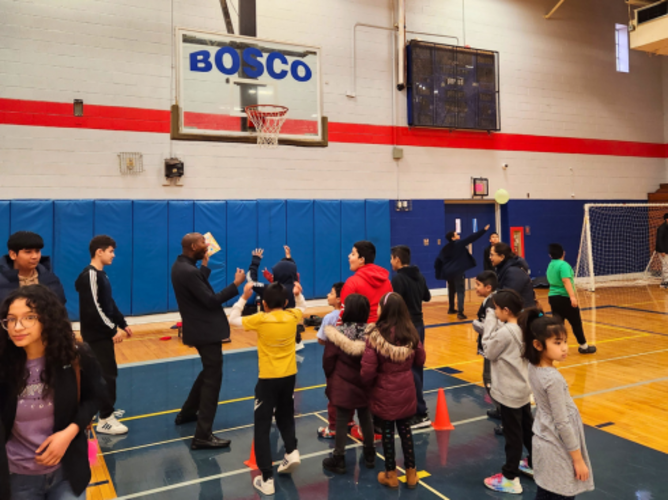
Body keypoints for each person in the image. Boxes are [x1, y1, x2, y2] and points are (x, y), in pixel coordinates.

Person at [0, 285, 104, 500]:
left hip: (67, 473)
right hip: (17, 478)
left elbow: (95, 397)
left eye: (29, 317)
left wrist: (68, 434)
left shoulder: (75, 358)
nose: (17, 327)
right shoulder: (4, 365)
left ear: (47, 319)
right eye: (10, 319)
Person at [229, 281, 307, 495]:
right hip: (289, 376)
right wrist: (298, 295)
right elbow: (302, 308)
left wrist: (244, 297)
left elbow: (233, 320)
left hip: (268, 380)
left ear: (263, 304)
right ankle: (291, 451)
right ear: (285, 302)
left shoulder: (261, 319)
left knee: (262, 426)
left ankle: (266, 478)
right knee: (285, 415)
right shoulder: (292, 316)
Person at [171, 233, 245, 450]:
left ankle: (186, 413)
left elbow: (196, 283)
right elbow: (211, 301)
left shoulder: (181, 266)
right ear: (194, 246)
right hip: (205, 331)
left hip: (198, 329)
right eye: (203, 243)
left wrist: (204, 265)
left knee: (208, 370)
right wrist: (235, 285)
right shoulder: (189, 271)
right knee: (213, 379)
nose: (207, 244)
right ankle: (203, 435)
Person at [318, 241, 392, 439]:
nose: (349, 257)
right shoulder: (387, 281)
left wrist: (339, 343)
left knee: (345, 382)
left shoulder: (353, 282)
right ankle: (376, 429)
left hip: (358, 342)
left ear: (361, 259)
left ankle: (341, 425)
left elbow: (344, 319)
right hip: (382, 338)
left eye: (352, 253)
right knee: (376, 384)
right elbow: (389, 309)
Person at [520, 309, 595, 499]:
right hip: (556, 446)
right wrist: (577, 460)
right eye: (557, 343)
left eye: (565, 342)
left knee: (546, 491)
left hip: (543, 437)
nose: (564, 348)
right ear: (538, 345)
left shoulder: (532, 365)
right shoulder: (552, 379)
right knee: (561, 493)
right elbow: (562, 422)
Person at [361, 292, 426, 490]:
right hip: (406, 388)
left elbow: (368, 369)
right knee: (405, 429)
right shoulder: (411, 332)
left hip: (384, 390)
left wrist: (366, 383)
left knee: (388, 431)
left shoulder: (375, 334)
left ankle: (390, 474)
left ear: (385, 309)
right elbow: (421, 359)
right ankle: (412, 473)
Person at [74, 235, 132, 436]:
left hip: (103, 335)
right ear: (99, 251)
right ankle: (105, 419)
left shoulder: (102, 275)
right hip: (97, 336)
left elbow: (109, 303)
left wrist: (122, 323)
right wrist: (112, 330)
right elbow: (93, 308)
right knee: (105, 376)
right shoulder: (89, 275)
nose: (113, 255)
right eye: (111, 251)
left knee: (108, 374)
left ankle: (104, 413)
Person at [482, 289, 533, 495]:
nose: (494, 311)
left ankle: (510, 478)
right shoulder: (523, 327)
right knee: (528, 429)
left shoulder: (505, 332)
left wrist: (489, 321)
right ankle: (534, 463)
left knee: (513, 436)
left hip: (509, 392)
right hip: (522, 388)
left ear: (505, 310)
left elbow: (488, 350)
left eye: (496, 308)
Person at [321, 294, 375, 474]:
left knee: (342, 418)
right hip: (366, 382)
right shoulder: (372, 334)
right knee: (366, 417)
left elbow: (328, 360)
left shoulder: (336, 333)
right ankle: (369, 454)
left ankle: (339, 459)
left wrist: (332, 377)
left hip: (342, 383)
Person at [390, 245, 432, 429]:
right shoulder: (419, 275)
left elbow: (395, 303)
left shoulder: (398, 279)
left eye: (392, 258)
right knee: (416, 366)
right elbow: (427, 297)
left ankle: (419, 412)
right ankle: (415, 407)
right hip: (419, 325)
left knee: (410, 368)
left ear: (397, 260)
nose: (391, 262)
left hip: (406, 326)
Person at [248, 246, 305, 351]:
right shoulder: (296, 289)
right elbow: (292, 271)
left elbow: (251, 281)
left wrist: (255, 261)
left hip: (275, 341)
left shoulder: (271, 290)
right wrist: (288, 259)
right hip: (294, 341)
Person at [546, 244, 596, 355]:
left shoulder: (551, 265)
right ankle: (584, 346)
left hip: (553, 297)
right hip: (564, 297)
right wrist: (572, 297)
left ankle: (555, 347)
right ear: (563, 253)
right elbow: (566, 280)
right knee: (576, 323)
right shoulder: (563, 265)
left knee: (558, 324)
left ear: (550, 255)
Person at [434, 225, 490, 319]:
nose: (458, 235)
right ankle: (460, 312)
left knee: (451, 290)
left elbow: (438, 261)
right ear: (453, 238)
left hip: (448, 272)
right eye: (456, 234)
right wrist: (483, 230)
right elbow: (472, 238)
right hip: (458, 271)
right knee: (460, 291)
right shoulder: (458, 244)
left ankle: (451, 308)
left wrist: (439, 273)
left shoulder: (445, 248)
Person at [471, 270, 503, 436]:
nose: (475, 288)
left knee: (491, 380)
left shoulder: (491, 305)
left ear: (488, 287)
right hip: (493, 348)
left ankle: (505, 417)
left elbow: (490, 330)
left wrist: (476, 325)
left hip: (492, 348)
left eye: (478, 285)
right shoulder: (492, 300)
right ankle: (499, 409)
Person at [0, 232, 66, 306]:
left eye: (37, 251)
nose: (35, 256)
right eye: (28, 252)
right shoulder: (2, 280)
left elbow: (59, 309)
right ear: (13, 255)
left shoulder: (49, 279)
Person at [489, 243, 536, 308]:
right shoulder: (502, 269)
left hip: (523, 314)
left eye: (492, 255)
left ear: (502, 257)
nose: (490, 257)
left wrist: (489, 291)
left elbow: (508, 296)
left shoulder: (514, 272)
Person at [656, 213, 668, 289]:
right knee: (666, 266)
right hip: (662, 250)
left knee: (666, 265)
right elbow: (659, 240)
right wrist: (662, 251)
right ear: (667, 219)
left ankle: (664, 282)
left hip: (666, 250)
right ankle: (666, 281)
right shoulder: (661, 228)